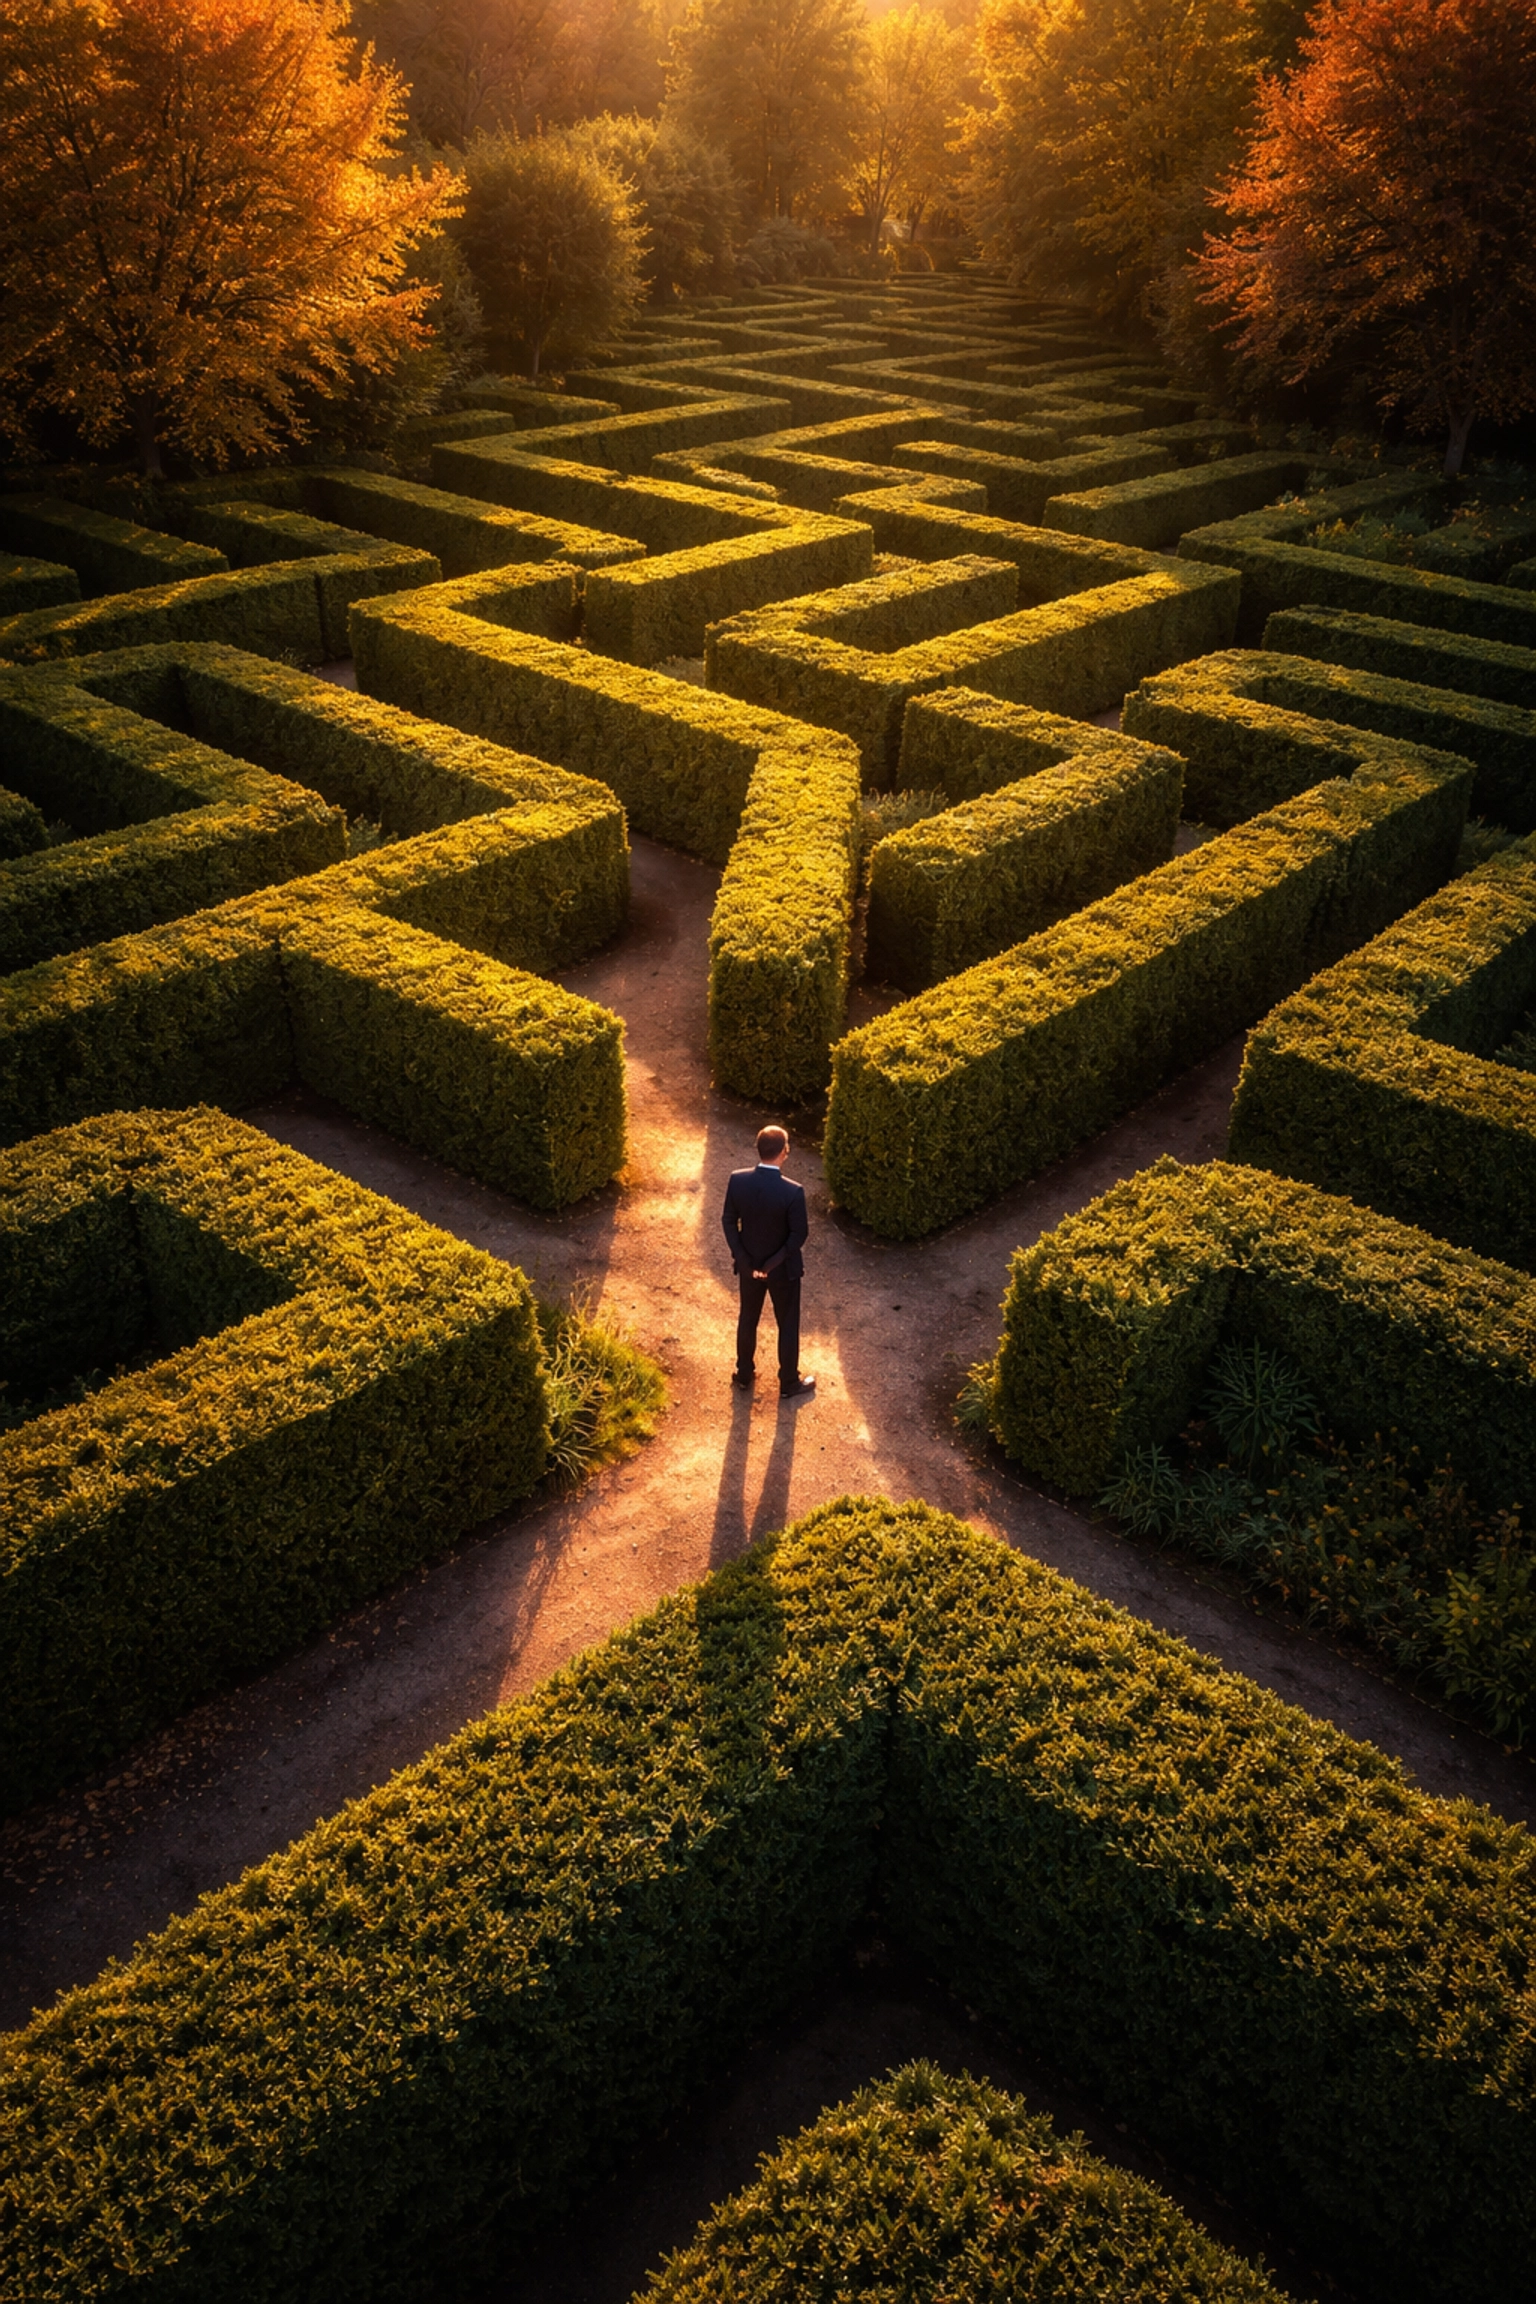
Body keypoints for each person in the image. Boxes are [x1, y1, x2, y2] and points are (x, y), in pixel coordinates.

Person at [721, 1125, 815, 1400]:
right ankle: (788, 1383)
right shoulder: (793, 1192)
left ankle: (744, 1375)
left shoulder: (737, 1181)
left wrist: (743, 1257)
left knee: (748, 1318)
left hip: (748, 1268)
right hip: (782, 1271)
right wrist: (773, 1262)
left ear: (759, 1149)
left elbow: (728, 1219)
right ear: (784, 1152)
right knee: (787, 1323)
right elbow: (799, 1234)